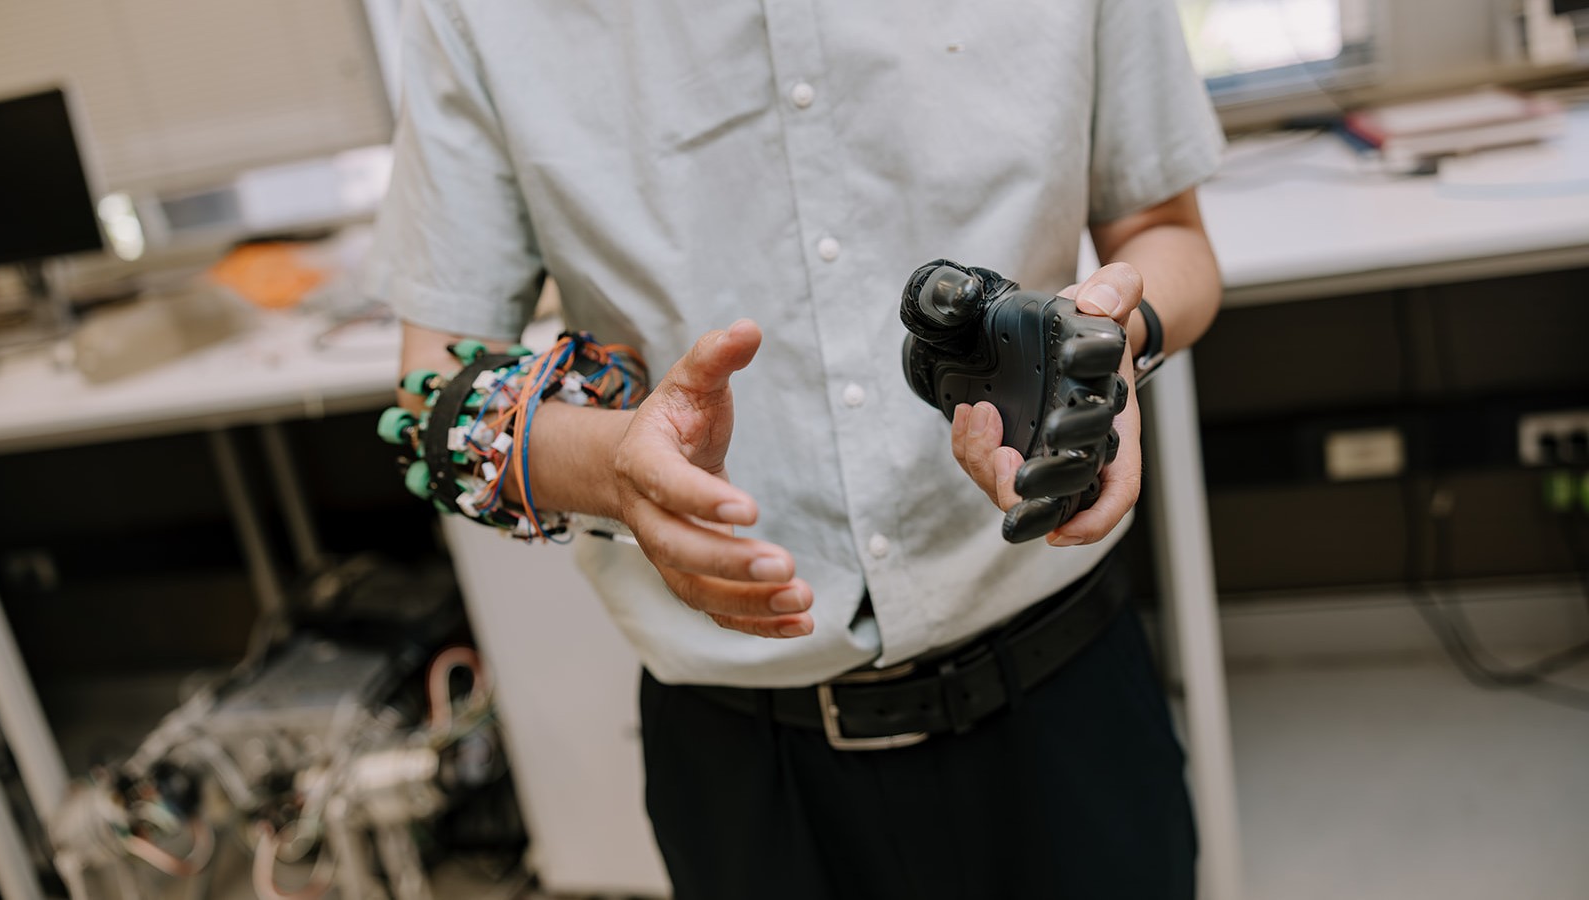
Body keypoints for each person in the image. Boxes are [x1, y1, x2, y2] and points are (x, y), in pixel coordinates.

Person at [370, 1, 1224, 896]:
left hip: (1066, 695)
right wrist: (616, 465)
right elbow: (432, 397)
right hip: (745, 765)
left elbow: (1166, 233)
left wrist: (1115, 338)